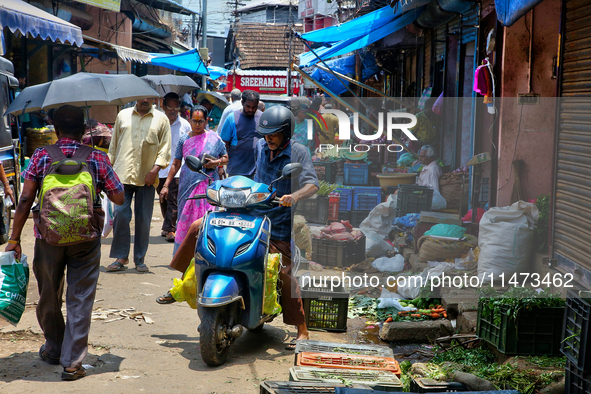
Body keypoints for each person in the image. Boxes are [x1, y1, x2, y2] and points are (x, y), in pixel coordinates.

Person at [6, 105, 124, 381]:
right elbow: (118, 197)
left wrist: (14, 238)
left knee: (48, 294)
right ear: (84, 131)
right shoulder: (97, 157)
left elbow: (25, 200)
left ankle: (54, 349)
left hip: (47, 238)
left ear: (55, 131)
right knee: (80, 298)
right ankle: (72, 362)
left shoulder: (40, 156)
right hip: (86, 238)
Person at [254, 105, 319, 349]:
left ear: (286, 134)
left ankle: (302, 329)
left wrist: (294, 195)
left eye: (273, 134)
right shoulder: (261, 148)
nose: (267, 138)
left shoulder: (298, 152)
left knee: (284, 273)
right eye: (265, 133)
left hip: (280, 222)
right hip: (255, 216)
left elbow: (313, 184)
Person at [156, 105, 228, 304]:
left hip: (209, 191)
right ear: (190, 119)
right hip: (187, 192)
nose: (197, 125)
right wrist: (166, 185)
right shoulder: (183, 139)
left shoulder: (215, 139)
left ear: (207, 121)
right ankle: (184, 280)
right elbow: (176, 164)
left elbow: (225, 157)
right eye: (194, 121)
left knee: (207, 232)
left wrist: (215, 163)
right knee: (187, 233)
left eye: (201, 121)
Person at [106, 97, 171, 273]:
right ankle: (121, 256)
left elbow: (165, 150)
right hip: (122, 175)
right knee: (120, 214)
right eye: (142, 96)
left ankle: (140, 259)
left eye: (149, 97)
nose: (145, 100)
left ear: (154, 99)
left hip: (147, 178)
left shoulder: (161, 119)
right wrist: (107, 172)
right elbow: (113, 147)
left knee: (143, 219)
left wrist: (155, 170)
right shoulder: (123, 115)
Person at [156, 93, 191, 242]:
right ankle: (167, 225)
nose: (173, 111)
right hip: (160, 167)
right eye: (170, 107)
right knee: (163, 197)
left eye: (176, 107)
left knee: (173, 198)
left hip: (177, 168)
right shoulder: (157, 122)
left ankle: (170, 229)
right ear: (163, 107)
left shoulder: (185, 125)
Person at [219, 90, 262, 178]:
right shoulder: (232, 118)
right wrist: (220, 166)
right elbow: (223, 145)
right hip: (236, 170)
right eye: (248, 106)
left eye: (254, 107)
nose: (251, 109)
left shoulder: (263, 118)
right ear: (242, 102)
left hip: (258, 170)